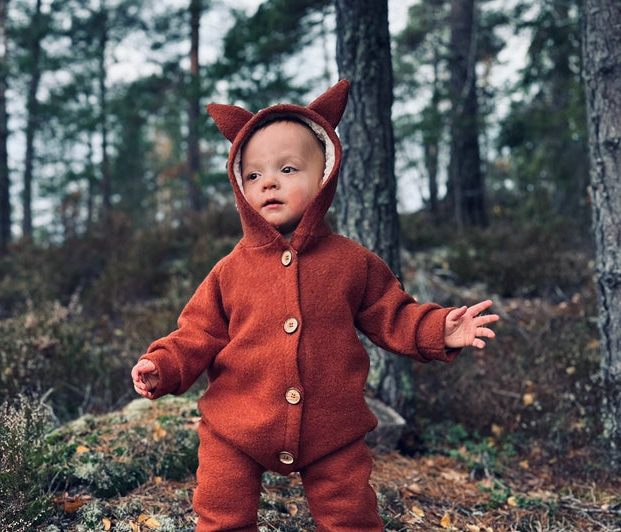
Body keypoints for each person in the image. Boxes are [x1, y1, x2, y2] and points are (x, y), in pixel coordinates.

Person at [130, 79, 499, 532]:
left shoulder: (352, 261)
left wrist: (438, 328)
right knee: (222, 507)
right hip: (237, 423)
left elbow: (394, 313)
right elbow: (197, 334)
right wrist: (162, 365)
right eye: (253, 175)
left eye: (288, 170)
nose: (268, 182)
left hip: (331, 428)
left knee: (350, 515)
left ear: (323, 173)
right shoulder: (229, 271)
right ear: (239, 186)